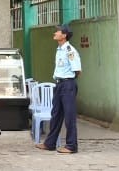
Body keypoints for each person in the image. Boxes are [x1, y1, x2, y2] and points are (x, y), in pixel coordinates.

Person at [35, 23, 82, 154]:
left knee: (69, 116)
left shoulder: (69, 51)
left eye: (57, 31)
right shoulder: (59, 50)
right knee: (55, 114)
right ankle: (50, 143)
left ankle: (71, 146)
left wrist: (68, 82)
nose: (54, 33)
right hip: (59, 84)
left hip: (68, 85)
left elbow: (77, 70)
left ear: (64, 35)